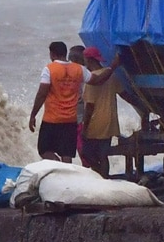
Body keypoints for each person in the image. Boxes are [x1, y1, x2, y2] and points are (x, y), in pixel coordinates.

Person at [28, 41, 119, 162]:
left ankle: (57, 166)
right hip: (71, 119)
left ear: (52, 54)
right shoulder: (79, 69)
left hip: (52, 119)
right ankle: (66, 175)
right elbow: (98, 80)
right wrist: (113, 66)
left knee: (44, 150)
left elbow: (41, 94)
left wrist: (33, 115)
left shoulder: (49, 69)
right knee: (67, 153)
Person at [80, 46, 121, 176]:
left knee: (86, 153)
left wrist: (84, 128)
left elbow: (89, 107)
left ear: (88, 59)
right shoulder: (112, 76)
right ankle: (105, 179)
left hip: (95, 123)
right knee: (103, 155)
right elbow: (124, 94)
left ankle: (99, 175)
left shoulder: (91, 79)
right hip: (110, 121)